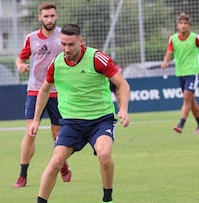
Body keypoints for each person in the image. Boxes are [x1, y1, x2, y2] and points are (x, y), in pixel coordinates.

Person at [29, 24, 130, 203]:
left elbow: (122, 84)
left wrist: (123, 109)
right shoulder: (57, 63)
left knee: (104, 155)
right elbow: (44, 90)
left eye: (71, 45)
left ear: (81, 42)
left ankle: (108, 198)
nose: (66, 49)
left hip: (100, 121)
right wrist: (36, 119)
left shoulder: (97, 58)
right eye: (63, 44)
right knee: (55, 162)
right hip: (71, 123)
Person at [14, 1, 71, 188]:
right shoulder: (31, 38)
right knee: (31, 132)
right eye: (46, 16)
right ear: (40, 18)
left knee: (58, 135)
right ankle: (22, 174)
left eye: (52, 16)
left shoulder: (63, 36)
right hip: (35, 90)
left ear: (57, 16)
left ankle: (62, 164)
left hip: (58, 92)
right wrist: (20, 65)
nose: (49, 19)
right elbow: (20, 57)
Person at [161, 12, 199, 134]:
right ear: (177, 25)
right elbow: (169, 52)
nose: (183, 25)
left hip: (193, 72)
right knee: (191, 101)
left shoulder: (195, 38)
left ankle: (180, 124)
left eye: (186, 23)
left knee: (187, 97)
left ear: (189, 26)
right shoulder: (173, 39)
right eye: (181, 23)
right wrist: (165, 62)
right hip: (181, 73)